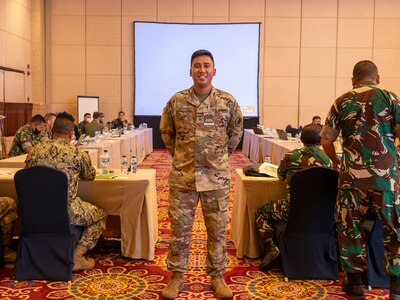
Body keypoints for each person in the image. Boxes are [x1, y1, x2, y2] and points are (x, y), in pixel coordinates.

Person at [160, 49, 243, 299]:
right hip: (183, 178)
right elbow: (166, 131)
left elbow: (236, 132)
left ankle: (217, 276)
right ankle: (176, 276)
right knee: (179, 231)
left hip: (215, 178)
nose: (202, 70)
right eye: (197, 66)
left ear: (214, 71)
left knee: (217, 231)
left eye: (206, 65)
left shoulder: (227, 101)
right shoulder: (177, 100)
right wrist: (180, 157)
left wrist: (220, 156)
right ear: (190, 71)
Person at [320, 60, 400, 299]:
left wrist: (335, 161)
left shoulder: (341, 101)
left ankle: (354, 284)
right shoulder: (390, 98)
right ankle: (396, 289)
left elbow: (326, 140)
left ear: (353, 80)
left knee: (349, 228)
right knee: (394, 228)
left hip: (351, 178)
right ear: (377, 78)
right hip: (386, 178)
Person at [25, 112, 107, 271]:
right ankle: (77, 256)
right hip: (66, 210)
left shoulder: (34, 151)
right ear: (71, 134)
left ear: (51, 131)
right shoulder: (77, 153)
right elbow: (89, 176)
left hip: (36, 210)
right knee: (101, 214)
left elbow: (27, 174)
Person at [255, 124, 332, 270]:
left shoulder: (291, 156)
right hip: (322, 214)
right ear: (321, 140)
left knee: (262, 212)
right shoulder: (327, 160)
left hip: (292, 211)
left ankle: (271, 248)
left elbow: (280, 175)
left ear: (301, 139)